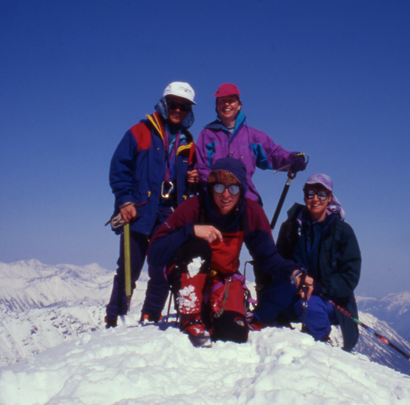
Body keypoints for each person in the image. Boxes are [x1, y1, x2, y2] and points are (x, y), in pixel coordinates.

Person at [147, 158, 303, 347]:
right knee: (198, 246)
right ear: (211, 187)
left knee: (234, 333)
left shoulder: (251, 213)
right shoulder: (194, 207)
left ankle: (206, 312)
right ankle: (190, 317)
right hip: (187, 274)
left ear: (243, 190)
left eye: (234, 189)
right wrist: (191, 231)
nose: (226, 195)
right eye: (220, 187)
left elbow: (267, 257)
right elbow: (155, 252)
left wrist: (292, 271)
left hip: (222, 280)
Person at [105, 81, 199, 328]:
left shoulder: (187, 142)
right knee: (129, 267)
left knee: (161, 268)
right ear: (164, 103)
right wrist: (125, 200)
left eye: (184, 107)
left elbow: (190, 178)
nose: (178, 110)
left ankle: (151, 318)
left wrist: (192, 179)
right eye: (174, 104)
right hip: (139, 209)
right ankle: (115, 319)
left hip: (168, 211)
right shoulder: (140, 131)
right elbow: (119, 167)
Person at [250, 174, 362, 351]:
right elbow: (278, 261)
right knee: (274, 302)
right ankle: (262, 320)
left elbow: (349, 276)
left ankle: (320, 346)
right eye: (310, 194)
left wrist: (318, 286)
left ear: (330, 198)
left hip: (327, 296)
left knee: (311, 309)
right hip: (293, 289)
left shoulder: (342, 232)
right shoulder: (291, 226)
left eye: (321, 194)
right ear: (304, 197)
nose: (315, 199)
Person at [194, 83, 307, 206]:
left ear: (239, 105)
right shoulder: (207, 134)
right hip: (215, 198)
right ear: (217, 106)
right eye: (222, 101)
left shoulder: (253, 136)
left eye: (231, 100)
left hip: (245, 197)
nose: (226, 104)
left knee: (258, 219)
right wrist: (216, 188)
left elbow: (273, 154)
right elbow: (201, 167)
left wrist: (294, 157)